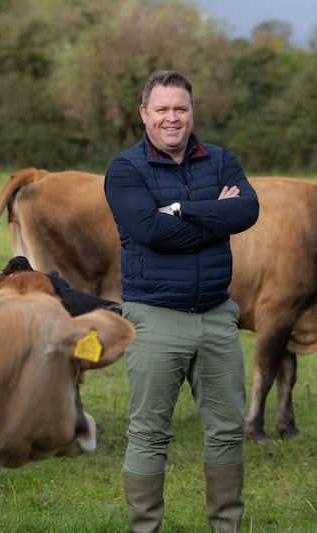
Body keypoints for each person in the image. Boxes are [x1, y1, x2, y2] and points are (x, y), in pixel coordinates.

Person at [104, 70, 259, 532]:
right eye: (162, 109)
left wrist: (183, 209)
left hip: (216, 316)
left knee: (229, 430)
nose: (172, 118)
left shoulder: (222, 160)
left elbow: (246, 211)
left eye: (181, 109)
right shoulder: (126, 169)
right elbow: (149, 232)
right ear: (144, 114)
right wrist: (217, 214)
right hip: (154, 317)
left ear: (192, 112)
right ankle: (145, 528)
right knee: (150, 433)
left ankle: (225, 527)